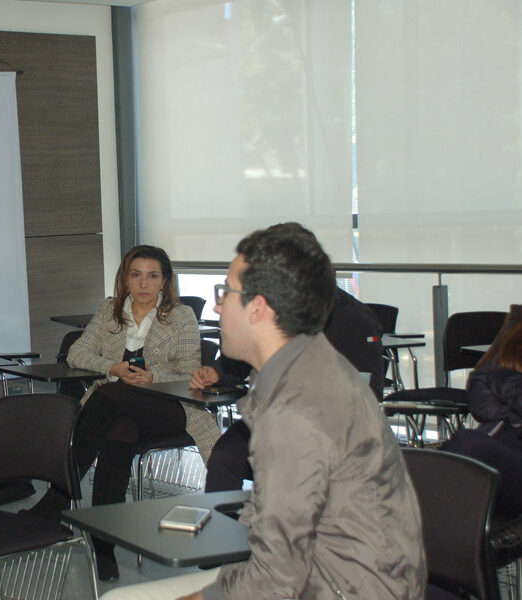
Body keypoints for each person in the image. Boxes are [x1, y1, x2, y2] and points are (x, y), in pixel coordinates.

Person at [101, 223, 425, 600]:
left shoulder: (295, 413)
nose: (217, 306)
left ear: (258, 308)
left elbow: (277, 579)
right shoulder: (305, 368)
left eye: (225, 293)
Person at [29, 245, 220, 582]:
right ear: (126, 279)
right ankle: (103, 546)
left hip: (170, 407)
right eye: (136, 275)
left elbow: (189, 373)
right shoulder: (110, 310)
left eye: (152, 276)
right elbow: (76, 353)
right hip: (119, 408)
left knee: (107, 394)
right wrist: (113, 367)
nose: (144, 283)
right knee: (119, 431)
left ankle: (59, 496)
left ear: (164, 281)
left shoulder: (181, 315)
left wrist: (153, 376)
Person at [198, 285, 384, 492]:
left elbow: (367, 394)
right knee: (224, 456)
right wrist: (218, 372)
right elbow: (242, 357)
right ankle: (223, 514)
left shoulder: (356, 320)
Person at [442, 304, 522, 518]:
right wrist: (511, 409)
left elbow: (495, 381)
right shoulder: (517, 327)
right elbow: (480, 386)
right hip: (502, 441)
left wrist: (507, 389)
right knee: (458, 452)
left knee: (468, 445)